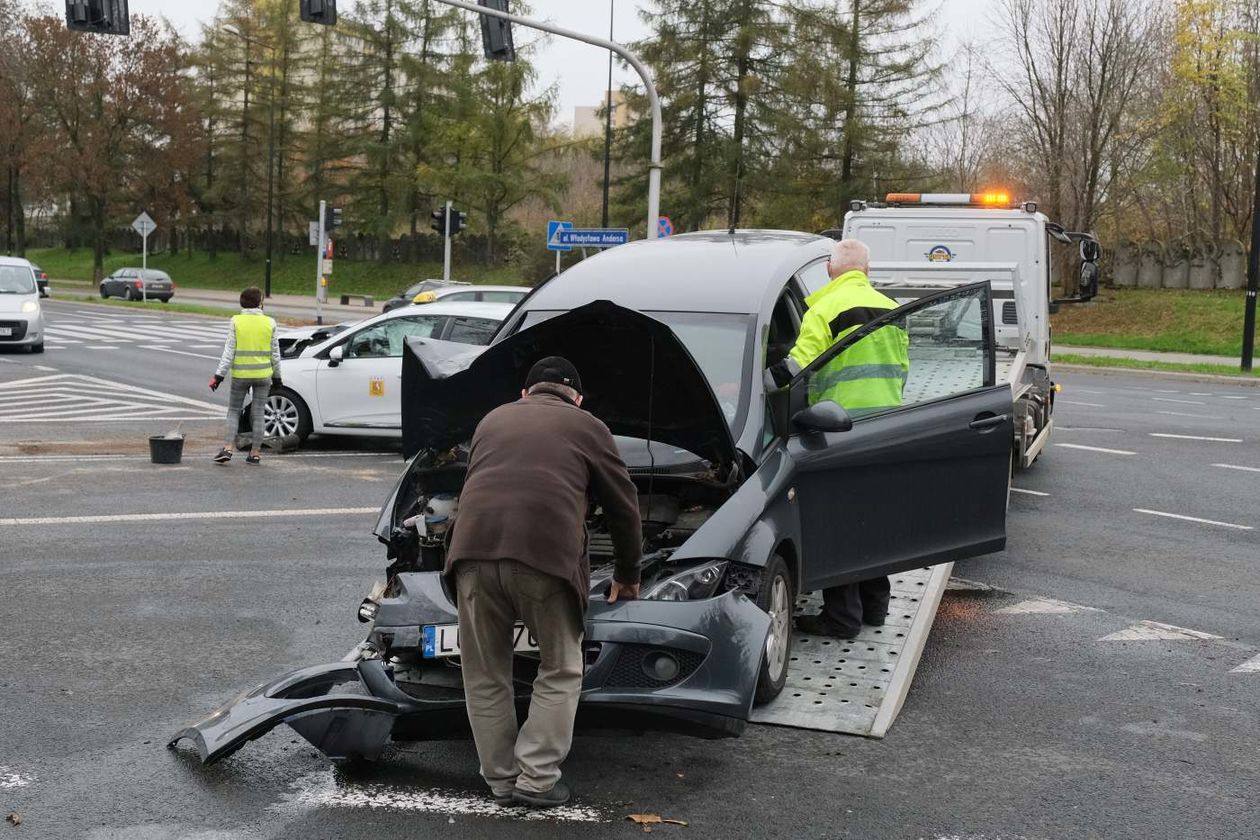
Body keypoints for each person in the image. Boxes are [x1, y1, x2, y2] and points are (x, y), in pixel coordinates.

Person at [445, 356, 642, 809]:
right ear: (577, 397)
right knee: (560, 668)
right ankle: (535, 781)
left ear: (525, 393)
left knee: (485, 674)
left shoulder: (492, 419)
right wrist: (629, 575)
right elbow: (623, 506)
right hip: (544, 560)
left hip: (471, 554)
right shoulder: (588, 426)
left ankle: (500, 781)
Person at [772, 239, 910, 639]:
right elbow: (902, 368)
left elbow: (799, 364)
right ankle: (875, 607)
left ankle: (842, 617)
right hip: (885, 424)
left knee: (841, 520)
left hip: (839, 425)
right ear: (865, 271)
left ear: (832, 270)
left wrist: (760, 382)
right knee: (875, 516)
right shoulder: (892, 309)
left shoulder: (823, 308)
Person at [209, 286, 281, 465]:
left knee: (233, 411)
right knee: (258, 413)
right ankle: (255, 453)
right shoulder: (270, 323)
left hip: (241, 374)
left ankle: (227, 449)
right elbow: (275, 353)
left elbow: (228, 352)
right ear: (260, 303)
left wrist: (218, 376)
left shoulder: (236, 321)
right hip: (264, 375)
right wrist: (278, 377)